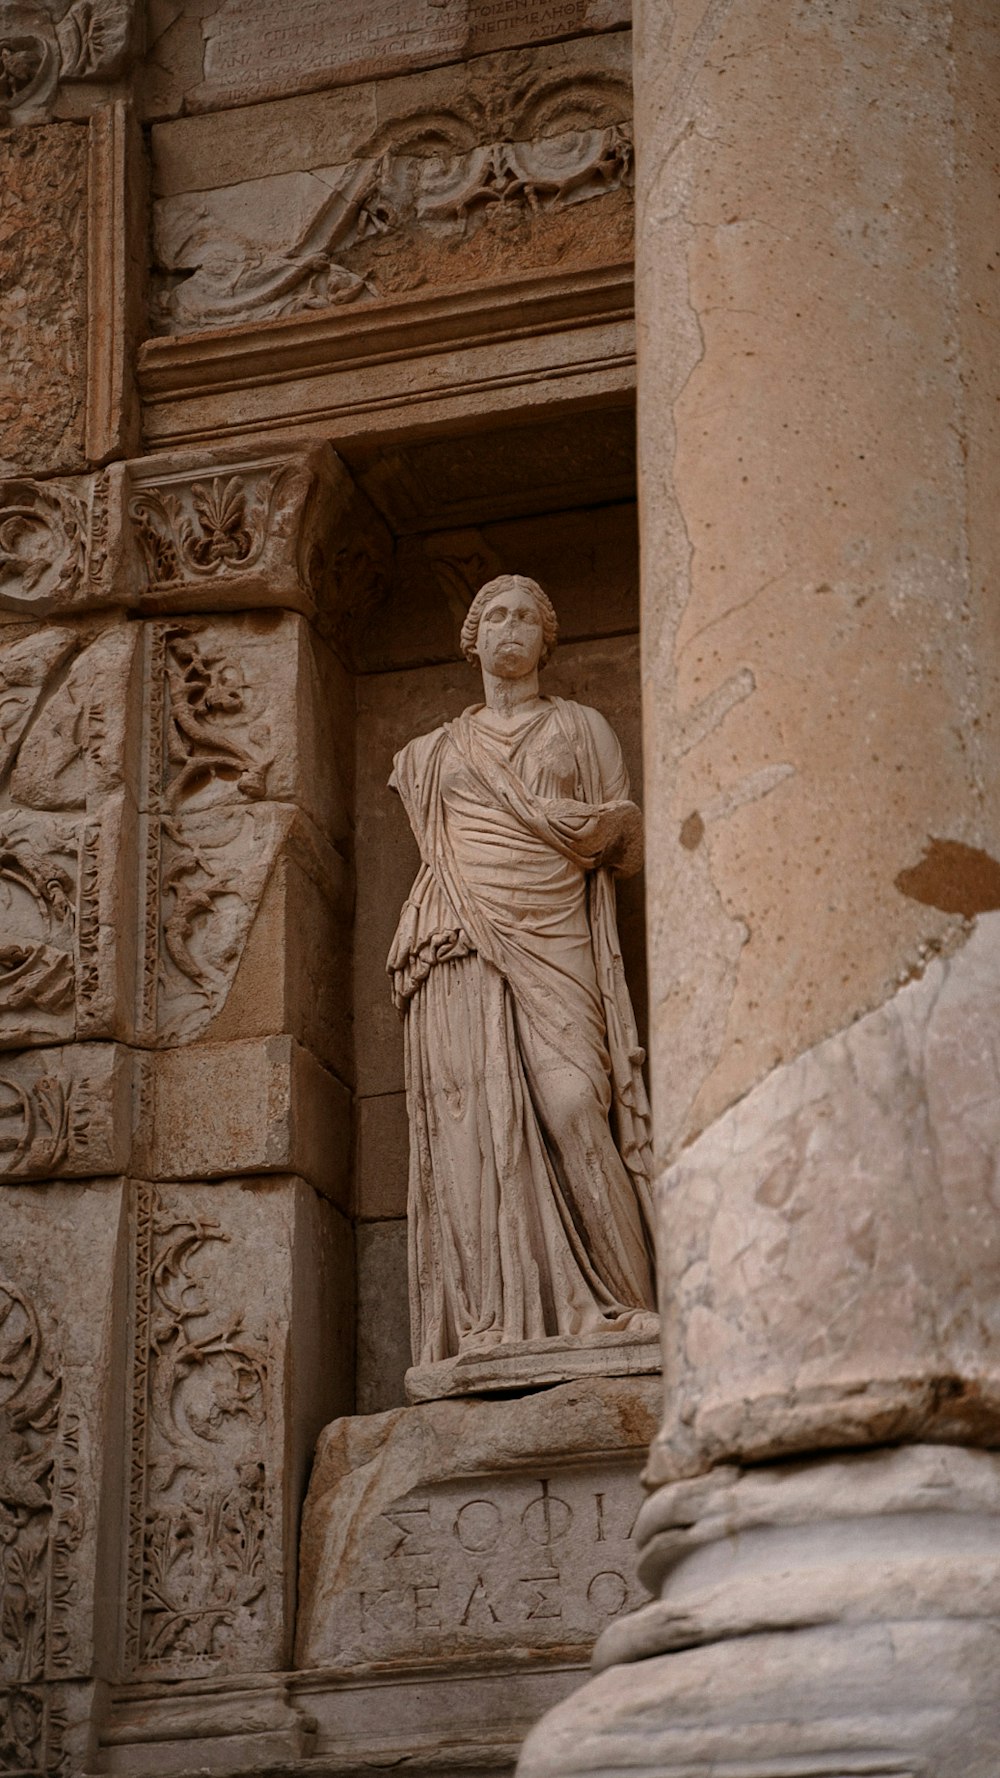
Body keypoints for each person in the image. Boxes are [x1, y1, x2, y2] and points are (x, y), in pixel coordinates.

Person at [387, 573, 656, 1372]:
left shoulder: (581, 728)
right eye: (494, 616)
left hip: (554, 932)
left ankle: (625, 1304)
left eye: (525, 618)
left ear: (547, 638)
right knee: (471, 1129)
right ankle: (490, 1324)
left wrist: (607, 827)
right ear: (472, 638)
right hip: (453, 937)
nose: (509, 628)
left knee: (575, 1104)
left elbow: (626, 848)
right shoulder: (429, 755)